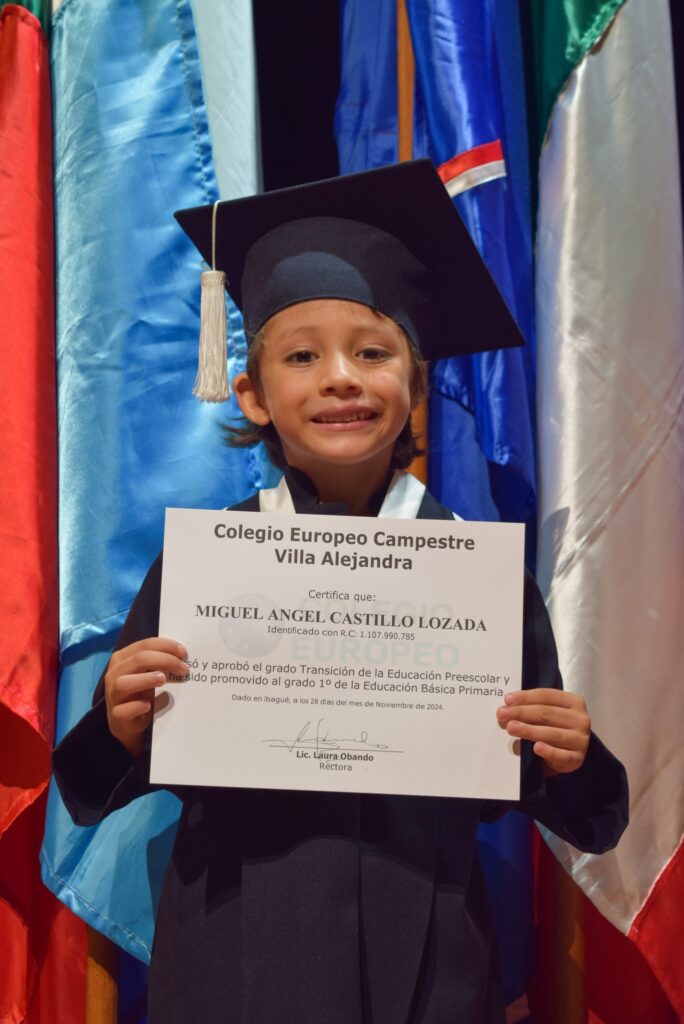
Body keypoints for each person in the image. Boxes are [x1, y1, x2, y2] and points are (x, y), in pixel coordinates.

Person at [54, 160, 628, 1023]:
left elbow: (577, 812)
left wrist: (568, 757)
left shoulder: (476, 581)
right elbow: (92, 785)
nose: (341, 378)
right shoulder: (205, 569)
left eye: (372, 352)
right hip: (232, 950)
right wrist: (120, 723)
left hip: (428, 959)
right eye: (301, 356)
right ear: (252, 393)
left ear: (416, 385)